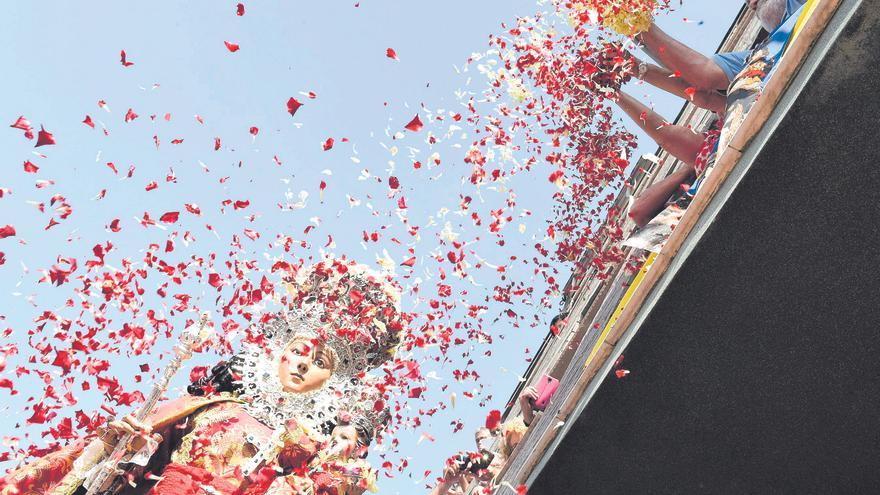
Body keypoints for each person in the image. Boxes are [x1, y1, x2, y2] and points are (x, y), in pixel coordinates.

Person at [0, 258, 406, 495]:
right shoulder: (212, 407)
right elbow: (129, 468)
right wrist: (124, 446)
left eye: (319, 362)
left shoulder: (317, 452)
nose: (301, 364)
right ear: (280, 350)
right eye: (298, 351)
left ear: (334, 380)